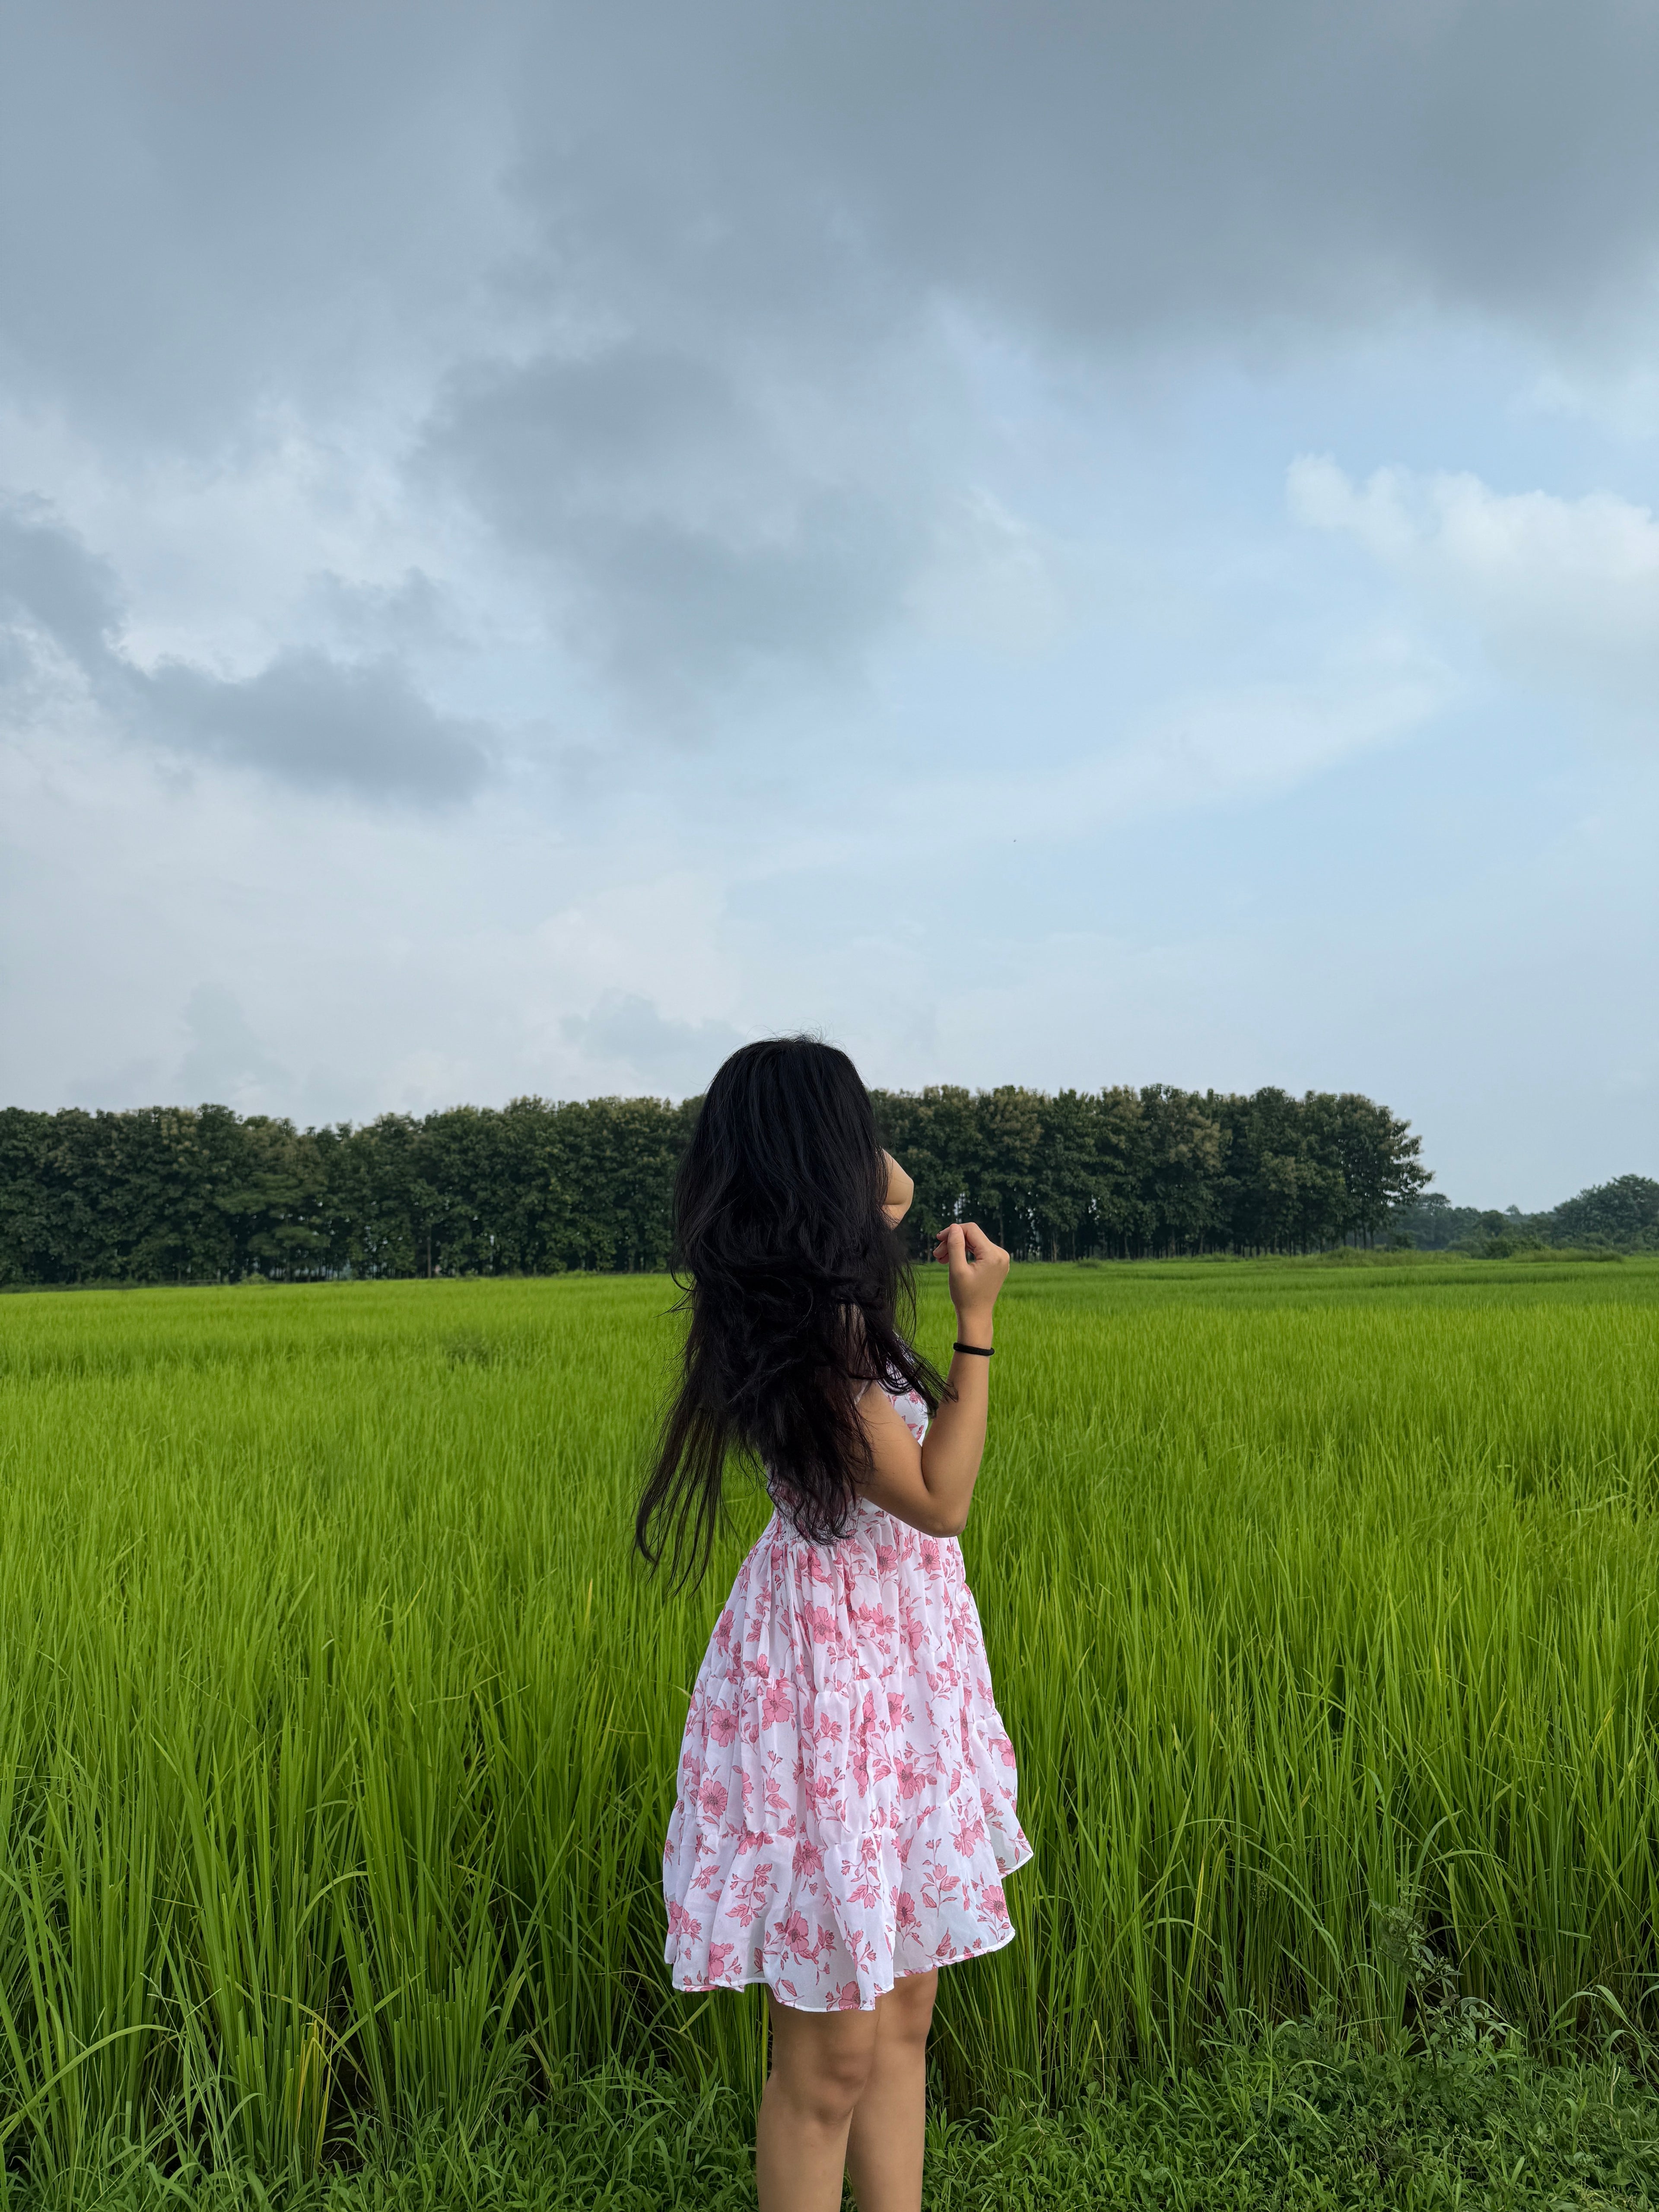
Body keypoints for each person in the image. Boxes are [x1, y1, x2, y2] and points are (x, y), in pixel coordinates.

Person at [638, 1036, 1030, 2212]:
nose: (880, 1168)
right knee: (834, 2055)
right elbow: (940, 1498)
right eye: (849, 1137)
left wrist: (841, 1164)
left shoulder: (822, 1302)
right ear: (820, 1166)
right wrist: (977, 1326)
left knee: (906, 2005)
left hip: (901, 1667)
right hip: (832, 1684)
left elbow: (894, 1191)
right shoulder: (806, 1346)